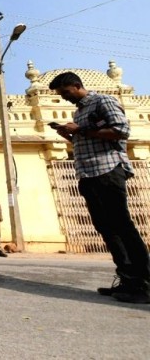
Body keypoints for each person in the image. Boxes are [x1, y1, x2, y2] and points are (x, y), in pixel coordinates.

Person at [50, 71, 150, 304]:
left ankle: (145, 282)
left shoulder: (102, 101)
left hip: (107, 169)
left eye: (65, 92)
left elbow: (121, 131)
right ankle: (127, 280)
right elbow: (86, 140)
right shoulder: (79, 111)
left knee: (122, 225)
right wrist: (69, 135)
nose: (63, 97)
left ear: (76, 86)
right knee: (106, 228)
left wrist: (81, 130)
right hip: (88, 173)